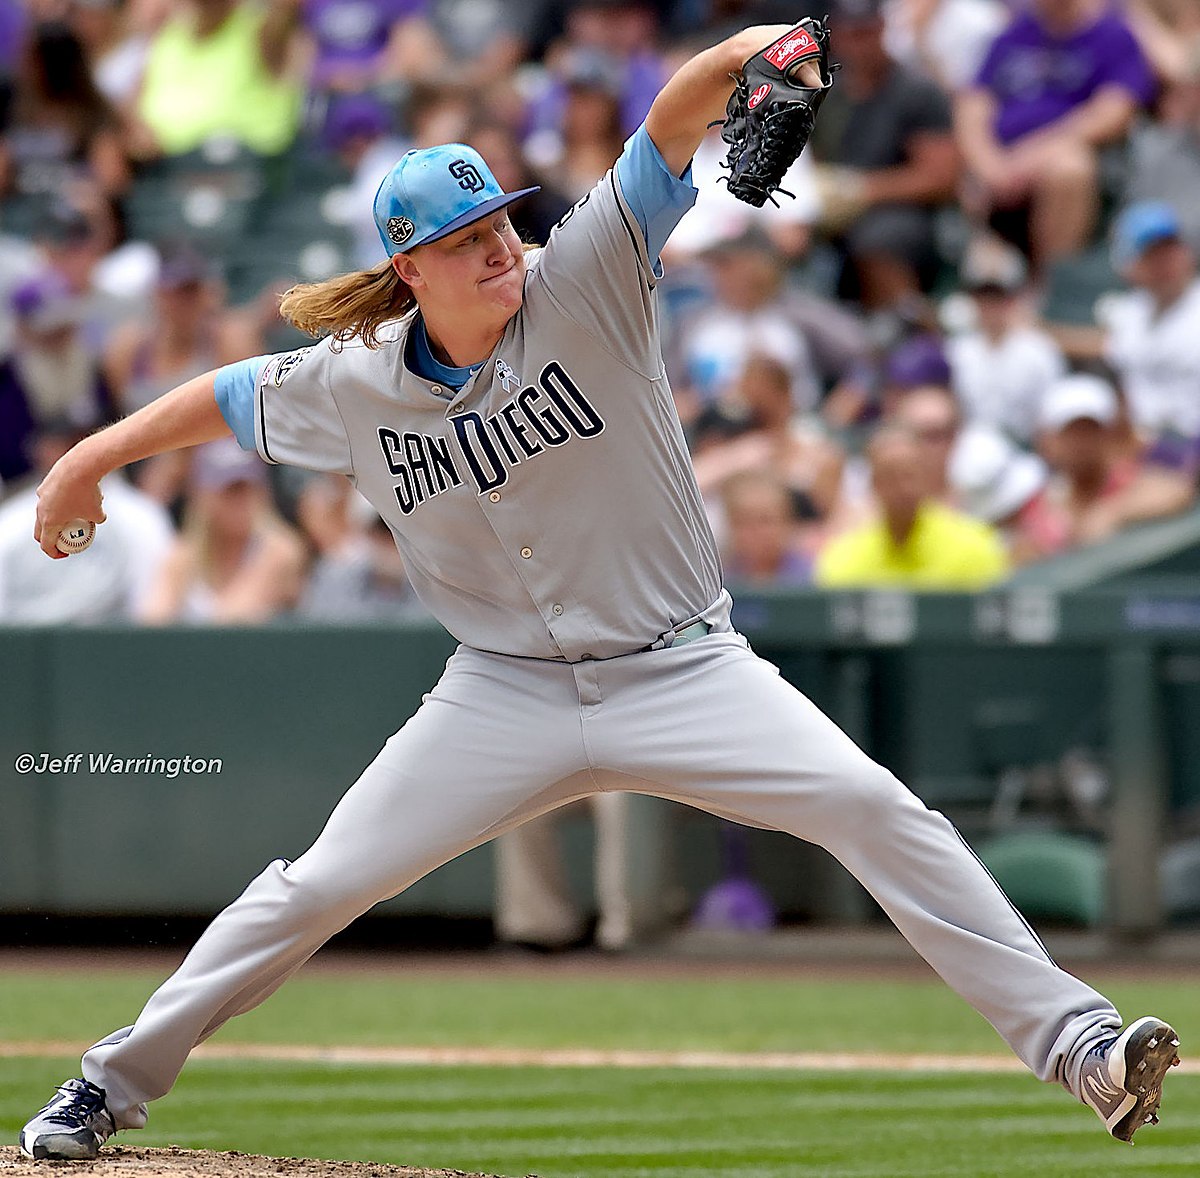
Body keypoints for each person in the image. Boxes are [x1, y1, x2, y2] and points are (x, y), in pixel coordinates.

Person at [20, 20, 1179, 1162]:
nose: (499, 248)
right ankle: (106, 1083)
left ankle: (1080, 1044)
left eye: (502, 224)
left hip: (684, 666)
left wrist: (763, 48)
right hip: (501, 694)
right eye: (468, 238)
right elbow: (222, 395)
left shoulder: (585, 277)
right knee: (316, 884)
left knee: (879, 810)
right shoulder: (354, 382)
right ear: (410, 269)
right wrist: (81, 462)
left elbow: (671, 121)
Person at [955, 0, 1155, 274]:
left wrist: (1032, 157)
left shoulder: (1113, 35)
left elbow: (1113, 114)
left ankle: (1049, 289)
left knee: (1069, 170)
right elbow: (971, 107)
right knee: (962, 172)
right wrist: (988, 163)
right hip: (1001, 162)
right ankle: (990, 291)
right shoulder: (1011, 35)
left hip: (1071, 155)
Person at [814, 424, 1010, 589]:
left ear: (926, 477)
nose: (902, 487)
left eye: (909, 474)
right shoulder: (843, 557)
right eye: (889, 477)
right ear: (873, 484)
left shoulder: (975, 546)